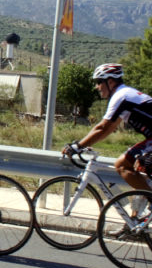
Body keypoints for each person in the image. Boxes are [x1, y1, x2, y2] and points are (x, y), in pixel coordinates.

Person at [63, 63, 152, 192]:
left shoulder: (121, 96)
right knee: (137, 169)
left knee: (122, 165)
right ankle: (139, 211)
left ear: (110, 82)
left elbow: (102, 128)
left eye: (99, 82)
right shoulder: (126, 95)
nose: (97, 87)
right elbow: (108, 129)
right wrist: (82, 143)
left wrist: (77, 146)